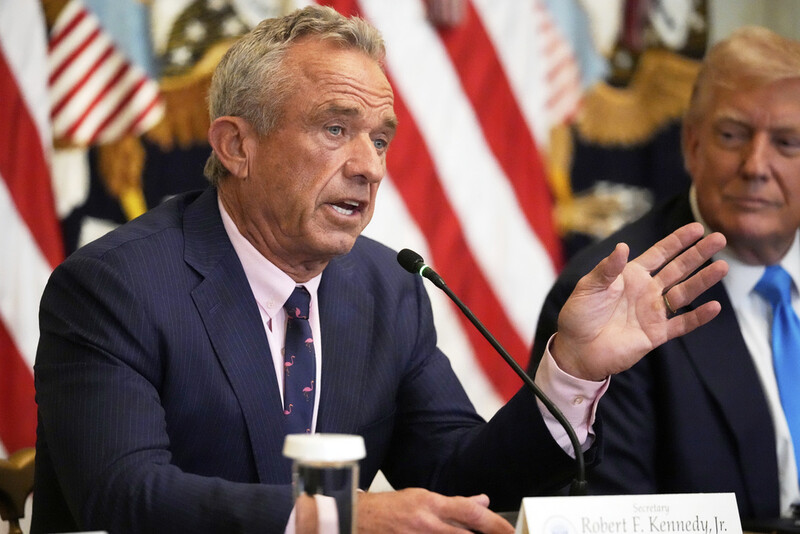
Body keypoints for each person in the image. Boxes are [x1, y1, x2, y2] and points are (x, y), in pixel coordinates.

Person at [32, 6, 727, 534]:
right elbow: (120, 491)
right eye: (335, 128)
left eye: (381, 138)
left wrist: (571, 371)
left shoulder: (387, 289)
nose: (369, 165)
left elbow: (457, 474)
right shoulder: (116, 286)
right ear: (237, 145)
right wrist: (340, 517)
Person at [529, 26, 800, 524]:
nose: (756, 165)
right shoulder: (610, 296)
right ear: (691, 143)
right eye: (732, 135)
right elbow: (611, 515)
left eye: (787, 143)